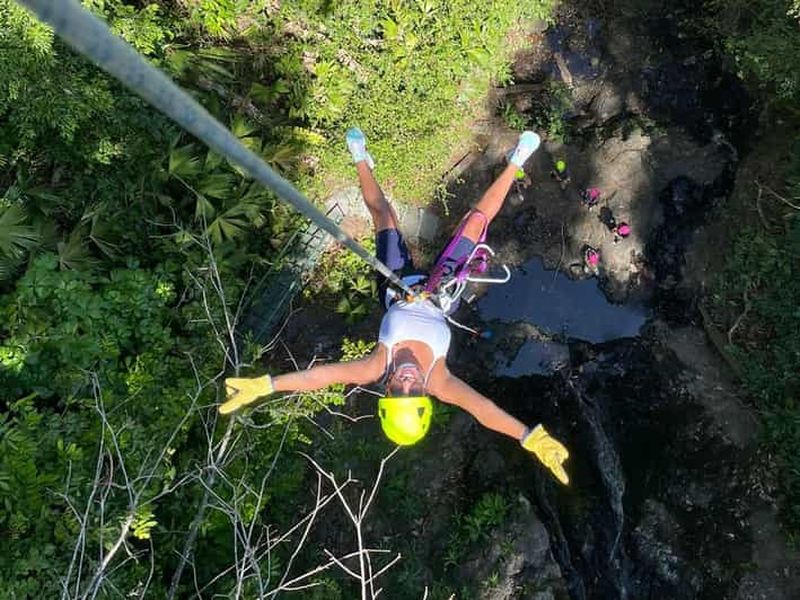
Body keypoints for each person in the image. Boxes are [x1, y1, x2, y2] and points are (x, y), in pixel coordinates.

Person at [219, 129, 570, 485]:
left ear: (386, 392)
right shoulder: (439, 380)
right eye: (413, 393)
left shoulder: (376, 366)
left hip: (396, 286)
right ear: (423, 394)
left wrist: (267, 385)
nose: (406, 382)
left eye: (397, 391)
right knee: (477, 221)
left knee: (384, 216)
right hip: (438, 293)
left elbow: (319, 377)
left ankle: (361, 159)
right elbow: (483, 410)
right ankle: (515, 163)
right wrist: (530, 438)